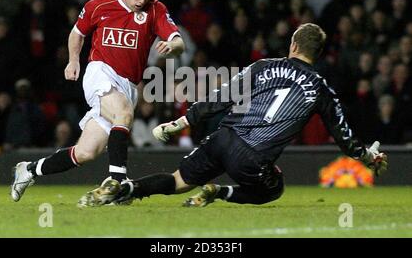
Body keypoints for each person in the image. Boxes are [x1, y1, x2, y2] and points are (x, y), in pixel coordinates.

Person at [77, 23, 387, 207]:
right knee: (274, 187)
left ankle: (124, 188)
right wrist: (368, 157)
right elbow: (343, 137)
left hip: (222, 137)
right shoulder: (321, 88)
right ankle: (220, 191)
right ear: (317, 54)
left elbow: (221, 98)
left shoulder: (264, 65)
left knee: (179, 182)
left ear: (293, 44)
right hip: (252, 157)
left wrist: (181, 122)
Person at [11, 0, 185, 202]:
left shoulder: (155, 10)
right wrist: (73, 60)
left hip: (128, 86)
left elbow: (178, 42)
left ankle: (29, 170)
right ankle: (118, 182)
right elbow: (77, 33)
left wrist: (171, 46)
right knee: (123, 114)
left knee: (85, 152)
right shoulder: (98, 6)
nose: (142, 0)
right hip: (99, 72)